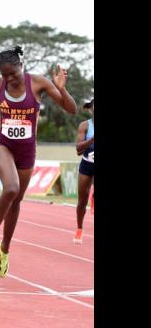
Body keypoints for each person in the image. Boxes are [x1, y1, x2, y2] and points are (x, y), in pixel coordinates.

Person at [0, 46, 76, 278]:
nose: (9, 79)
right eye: (4, 75)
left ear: (21, 67)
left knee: (16, 200)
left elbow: (71, 109)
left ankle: (5, 250)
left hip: (27, 149)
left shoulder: (38, 83)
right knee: (11, 187)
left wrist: (61, 89)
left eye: (12, 74)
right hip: (2, 142)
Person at [73, 98, 94, 244]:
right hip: (87, 164)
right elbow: (78, 149)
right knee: (82, 200)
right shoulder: (85, 125)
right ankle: (79, 229)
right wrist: (91, 140)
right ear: (91, 109)